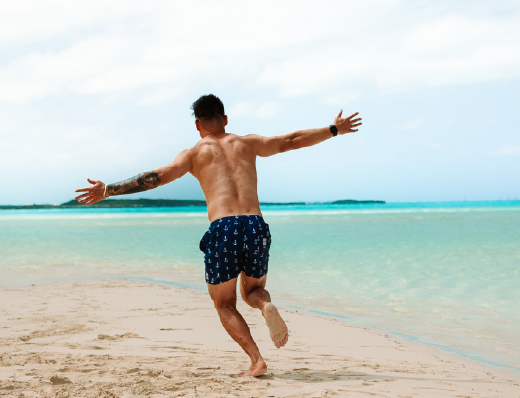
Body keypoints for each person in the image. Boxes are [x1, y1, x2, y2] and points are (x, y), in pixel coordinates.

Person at [75, 94, 362, 376]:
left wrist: (109, 190)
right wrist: (334, 129)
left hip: (224, 227)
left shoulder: (193, 153)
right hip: (255, 223)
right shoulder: (248, 143)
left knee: (224, 303)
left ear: (197, 125)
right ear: (225, 119)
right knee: (251, 291)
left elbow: (156, 178)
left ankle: (256, 360)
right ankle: (265, 305)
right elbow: (292, 141)